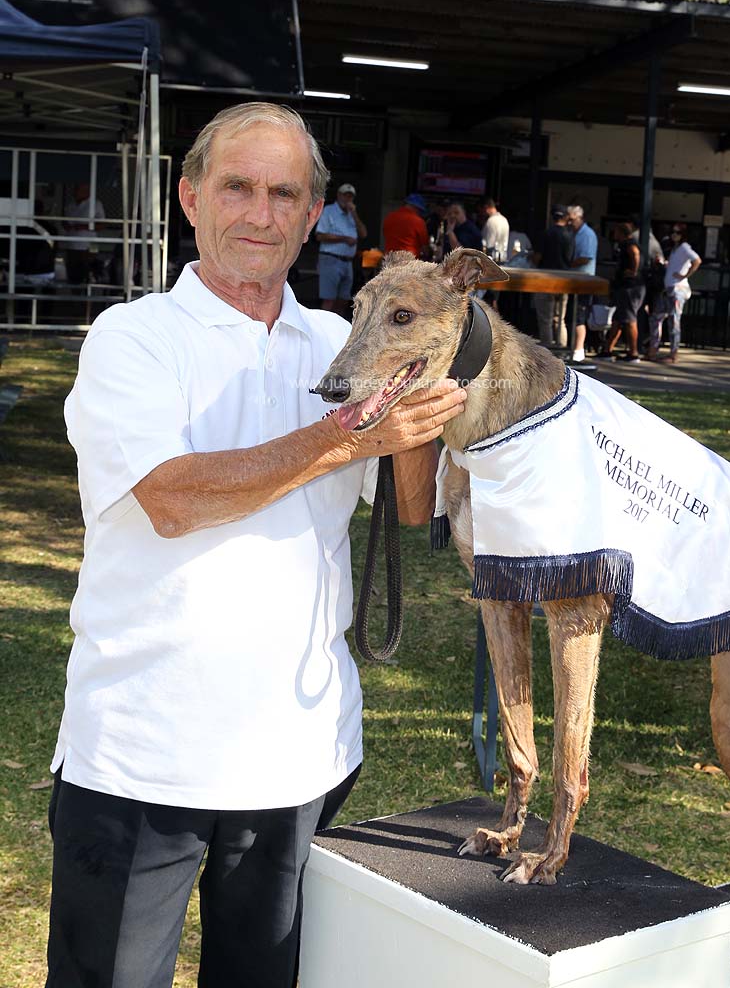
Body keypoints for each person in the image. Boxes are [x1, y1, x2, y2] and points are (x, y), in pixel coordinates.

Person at [45, 102, 466, 988]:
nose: (261, 214)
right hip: (144, 754)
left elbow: (411, 508)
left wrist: (424, 366)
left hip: (297, 754)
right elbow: (171, 499)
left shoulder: (341, 341)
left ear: (314, 216)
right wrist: (346, 436)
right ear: (190, 198)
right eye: (238, 187)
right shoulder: (135, 336)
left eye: (285, 194)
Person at [647, 223, 701, 364]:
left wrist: (684, 275)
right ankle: (653, 349)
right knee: (656, 318)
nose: (674, 235)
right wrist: (664, 264)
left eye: (678, 232)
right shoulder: (674, 249)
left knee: (673, 321)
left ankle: (673, 353)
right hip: (668, 288)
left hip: (677, 289)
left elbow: (697, 260)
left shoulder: (684, 247)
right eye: (673, 232)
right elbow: (675, 266)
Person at [315, 182, 367, 315]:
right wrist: (344, 239)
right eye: (345, 195)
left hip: (347, 262)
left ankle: (337, 326)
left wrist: (354, 214)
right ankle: (323, 326)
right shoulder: (329, 211)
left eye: (350, 196)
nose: (347, 199)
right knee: (329, 299)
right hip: (330, 258)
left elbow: (363, 234)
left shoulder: (352, 214)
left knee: (344, 299)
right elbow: (320, 236)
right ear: (339, 195)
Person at [597, 220, 645, 363]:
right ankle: (607, 350)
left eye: (616, 232)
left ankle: (634, 352)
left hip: (630, 287)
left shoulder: (629, 244)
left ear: (622, 233)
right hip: (625, 286)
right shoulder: (627, 244)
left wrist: (633, 271)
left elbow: (635, 253)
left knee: (630, 319)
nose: (614, 234)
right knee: (618, 319)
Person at [532, 203, 574, 348]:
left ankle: (547, 348)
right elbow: (571, 258)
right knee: (560, 318)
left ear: (552, 217)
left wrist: (531, 259)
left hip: (545, 278)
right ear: (565, 217)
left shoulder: (546, 233)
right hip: (564, 279)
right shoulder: (570, 236)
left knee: (545, 318)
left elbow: (537, 257)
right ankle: (562, 348)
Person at [566, 205, 598, 364]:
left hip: (584, 281)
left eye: (572, 219)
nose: (569, 223)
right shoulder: (575, 233)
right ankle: (574, 348)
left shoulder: (587, 234)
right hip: (574, 280)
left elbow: (585, 258)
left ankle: (579, 350)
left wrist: (566, 264)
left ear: (580, 218)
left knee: (579, 316)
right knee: (572, 315)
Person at [63, 182, 106, 285]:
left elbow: (102, 225)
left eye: (78, 190)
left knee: (89, 271)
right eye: (75, 190)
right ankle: (74, 293)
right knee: (73, 273)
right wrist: (66, 225)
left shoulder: (96, 204)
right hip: (71, 244)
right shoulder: (70, 205)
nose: (74, 192)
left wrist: (83, 227)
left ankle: (88, 293)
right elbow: (64, 222)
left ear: (86, 192)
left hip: (91, 244)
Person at [382, 192, 430, 257]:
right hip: (409, 260)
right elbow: (425, 248)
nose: (419, 213)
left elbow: (385, 236)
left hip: (389, 258)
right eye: (420, 211)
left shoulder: (389, 217)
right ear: (416, 208)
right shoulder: (418, 221)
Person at [481, 197, 509, 262]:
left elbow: (489, 245)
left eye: (481, 211)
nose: (481, 214)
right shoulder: (504, 220)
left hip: (492, 260)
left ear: (486, 207)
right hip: (503, 259)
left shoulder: (491, 221)